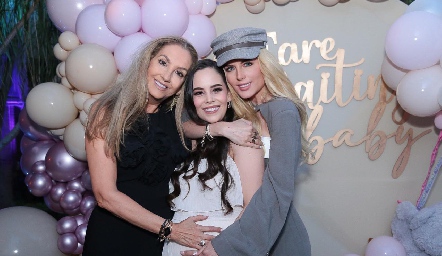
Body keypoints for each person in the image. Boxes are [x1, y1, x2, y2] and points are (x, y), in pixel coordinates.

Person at [82, 37, 221, 256]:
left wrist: (221, 128)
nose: (166, 77)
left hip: (164, 244)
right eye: (163, 63)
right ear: (147, 61)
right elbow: (105, 195)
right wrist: (171, 230)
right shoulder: (107, 111)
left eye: (179, 73)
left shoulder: (178, 117)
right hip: (116, 237)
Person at [181, 27, 311, 256]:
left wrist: (226, 246)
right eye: (230, 68)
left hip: (275, 237)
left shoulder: (282, 111)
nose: (239, 76)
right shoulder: (241, 109)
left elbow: (277, 191)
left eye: (247, 63)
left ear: (264, 63)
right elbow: (185, 127)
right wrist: (219, 127)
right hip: (242, 231)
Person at [162, 59, 264, 255]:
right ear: (192, 99)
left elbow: (254, 208)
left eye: (216, 89)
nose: (209, 99)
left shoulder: (243, 139)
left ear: (229, 95)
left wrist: (216, 249)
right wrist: (217, 128)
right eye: (199, 92)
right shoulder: (187, 139)